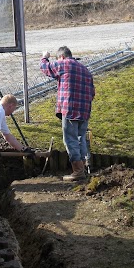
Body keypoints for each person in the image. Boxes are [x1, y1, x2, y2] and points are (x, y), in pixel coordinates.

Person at [40, 46, 95, 181]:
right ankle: (83, 168)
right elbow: (92, 93)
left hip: (70, 109)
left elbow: (45, 67)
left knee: (70, 139)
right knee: (81, 138)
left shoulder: (65, 63)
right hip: (85, 110)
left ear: (62, 57)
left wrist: (44, 57)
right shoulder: (85, 69)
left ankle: (78, 171)